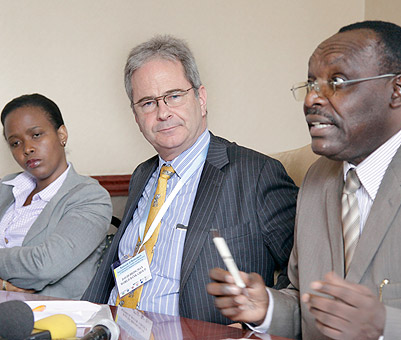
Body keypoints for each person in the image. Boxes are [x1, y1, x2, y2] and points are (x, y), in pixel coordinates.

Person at [207, 20, 401, 339]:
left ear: (398, 90)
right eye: (310, 85)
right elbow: (305, 305)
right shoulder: (317, 177)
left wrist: (386, 326)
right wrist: (266, 308)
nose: (311, 100)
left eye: (336, 81)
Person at [82, 35, 298, 324]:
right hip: (108, 326)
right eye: (147, 103)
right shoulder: (142, 175)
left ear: (201, 98)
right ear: (135, 116)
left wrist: (253, 325)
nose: (162, 113)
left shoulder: (256, 174)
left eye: (174, 95)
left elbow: (303, 273)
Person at [0, 93, 112, 299]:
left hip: (50, 320)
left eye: (36, 135)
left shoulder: (90, 197)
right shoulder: (5, 189)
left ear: (62, 134)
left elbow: (44, 265)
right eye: (15, 143)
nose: (27, 149)